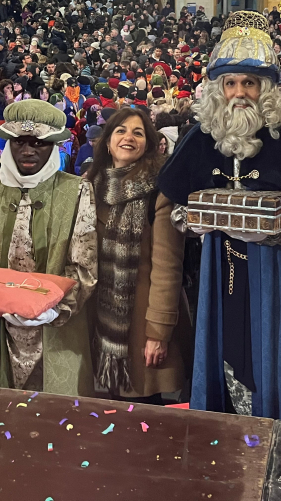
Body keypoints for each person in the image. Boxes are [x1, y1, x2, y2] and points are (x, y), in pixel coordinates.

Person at [159, 11, 281, 422]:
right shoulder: (200, 137)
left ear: (266, 88)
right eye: (230, 83)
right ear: (218, 88)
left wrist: (277, 232)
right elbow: (177, 207)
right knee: (224, 343)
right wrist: (194, 222)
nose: (239, 93)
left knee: (280, 351)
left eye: (249, 83)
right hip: (220, 266)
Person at [0, 101, 98, 395]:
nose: (28, 150)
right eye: (19, 142)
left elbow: (85, 264)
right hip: (2, 328)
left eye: (39, 143)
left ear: (53, 147)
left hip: (58, 328)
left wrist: (58, 306)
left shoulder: (77, 191)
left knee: (59, 421)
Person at [86, 108, 192, 399]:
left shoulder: (160, 191)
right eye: (120, 130)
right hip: (98, 324)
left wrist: (158, 333)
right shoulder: (89, 186)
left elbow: (167, 268)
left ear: (148, 143)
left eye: (138, 132)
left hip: (141, 326)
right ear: (107, 142)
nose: (128, 137)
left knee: (145, 419)